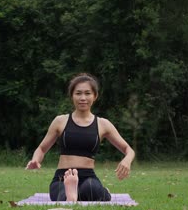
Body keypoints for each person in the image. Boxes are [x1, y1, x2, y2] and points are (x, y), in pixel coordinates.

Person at [26, 73, 135, 202]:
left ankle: (95, 193)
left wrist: (127, 160)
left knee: (91, 189)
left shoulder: (103, 124)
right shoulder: (60, 121)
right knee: (63, 196)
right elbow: (41, 149)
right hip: (63, 176)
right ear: (72, 96)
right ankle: (71, 195)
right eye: (78, 93)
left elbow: (128, 149)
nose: (83, 98)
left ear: (95, 96)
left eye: (87, 93)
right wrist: (35, 160)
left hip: (88, 177)